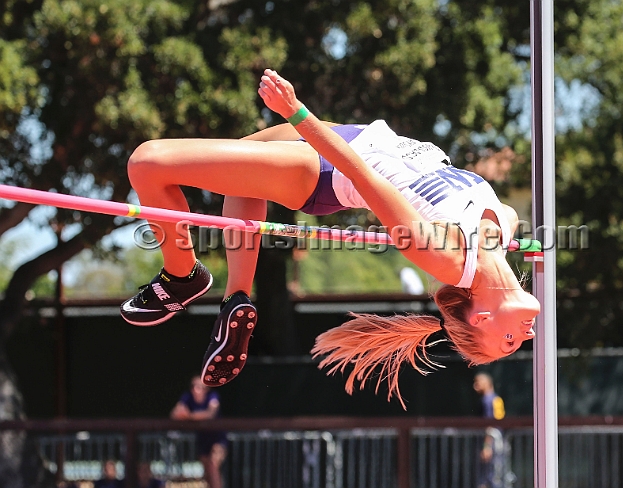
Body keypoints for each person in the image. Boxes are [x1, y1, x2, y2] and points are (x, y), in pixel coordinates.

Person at [120, 68, 540, 405]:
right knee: (238, 180)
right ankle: (236, 296)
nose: (528, 336)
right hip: (362, 136)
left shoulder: (443, 257)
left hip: (330, 168)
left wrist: (298, 113)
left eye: (508, 340)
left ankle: (181, 276)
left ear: (481, 317)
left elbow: (363, 174)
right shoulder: (500, 236)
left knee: (147, 162)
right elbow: (501, 218)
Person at [170, 376, 227, 488]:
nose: (198, 389)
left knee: (213, 465)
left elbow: (210, 414)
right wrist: (189, 415)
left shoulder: (213, 396)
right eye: (195, 386)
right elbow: (174, 414)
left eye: (202, 387)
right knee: (207, 471)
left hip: (218, 437)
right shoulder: (187, 397)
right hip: (202, 438)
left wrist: (189, 416)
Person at [473, 372, 505, 488]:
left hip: (491, 442)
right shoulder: (497, 399)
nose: (475, 386)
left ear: (487, 383)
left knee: (489, 477)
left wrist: (486, 446)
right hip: (498, 442)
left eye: (478, 382)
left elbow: (490, 424)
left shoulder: (487, 401)